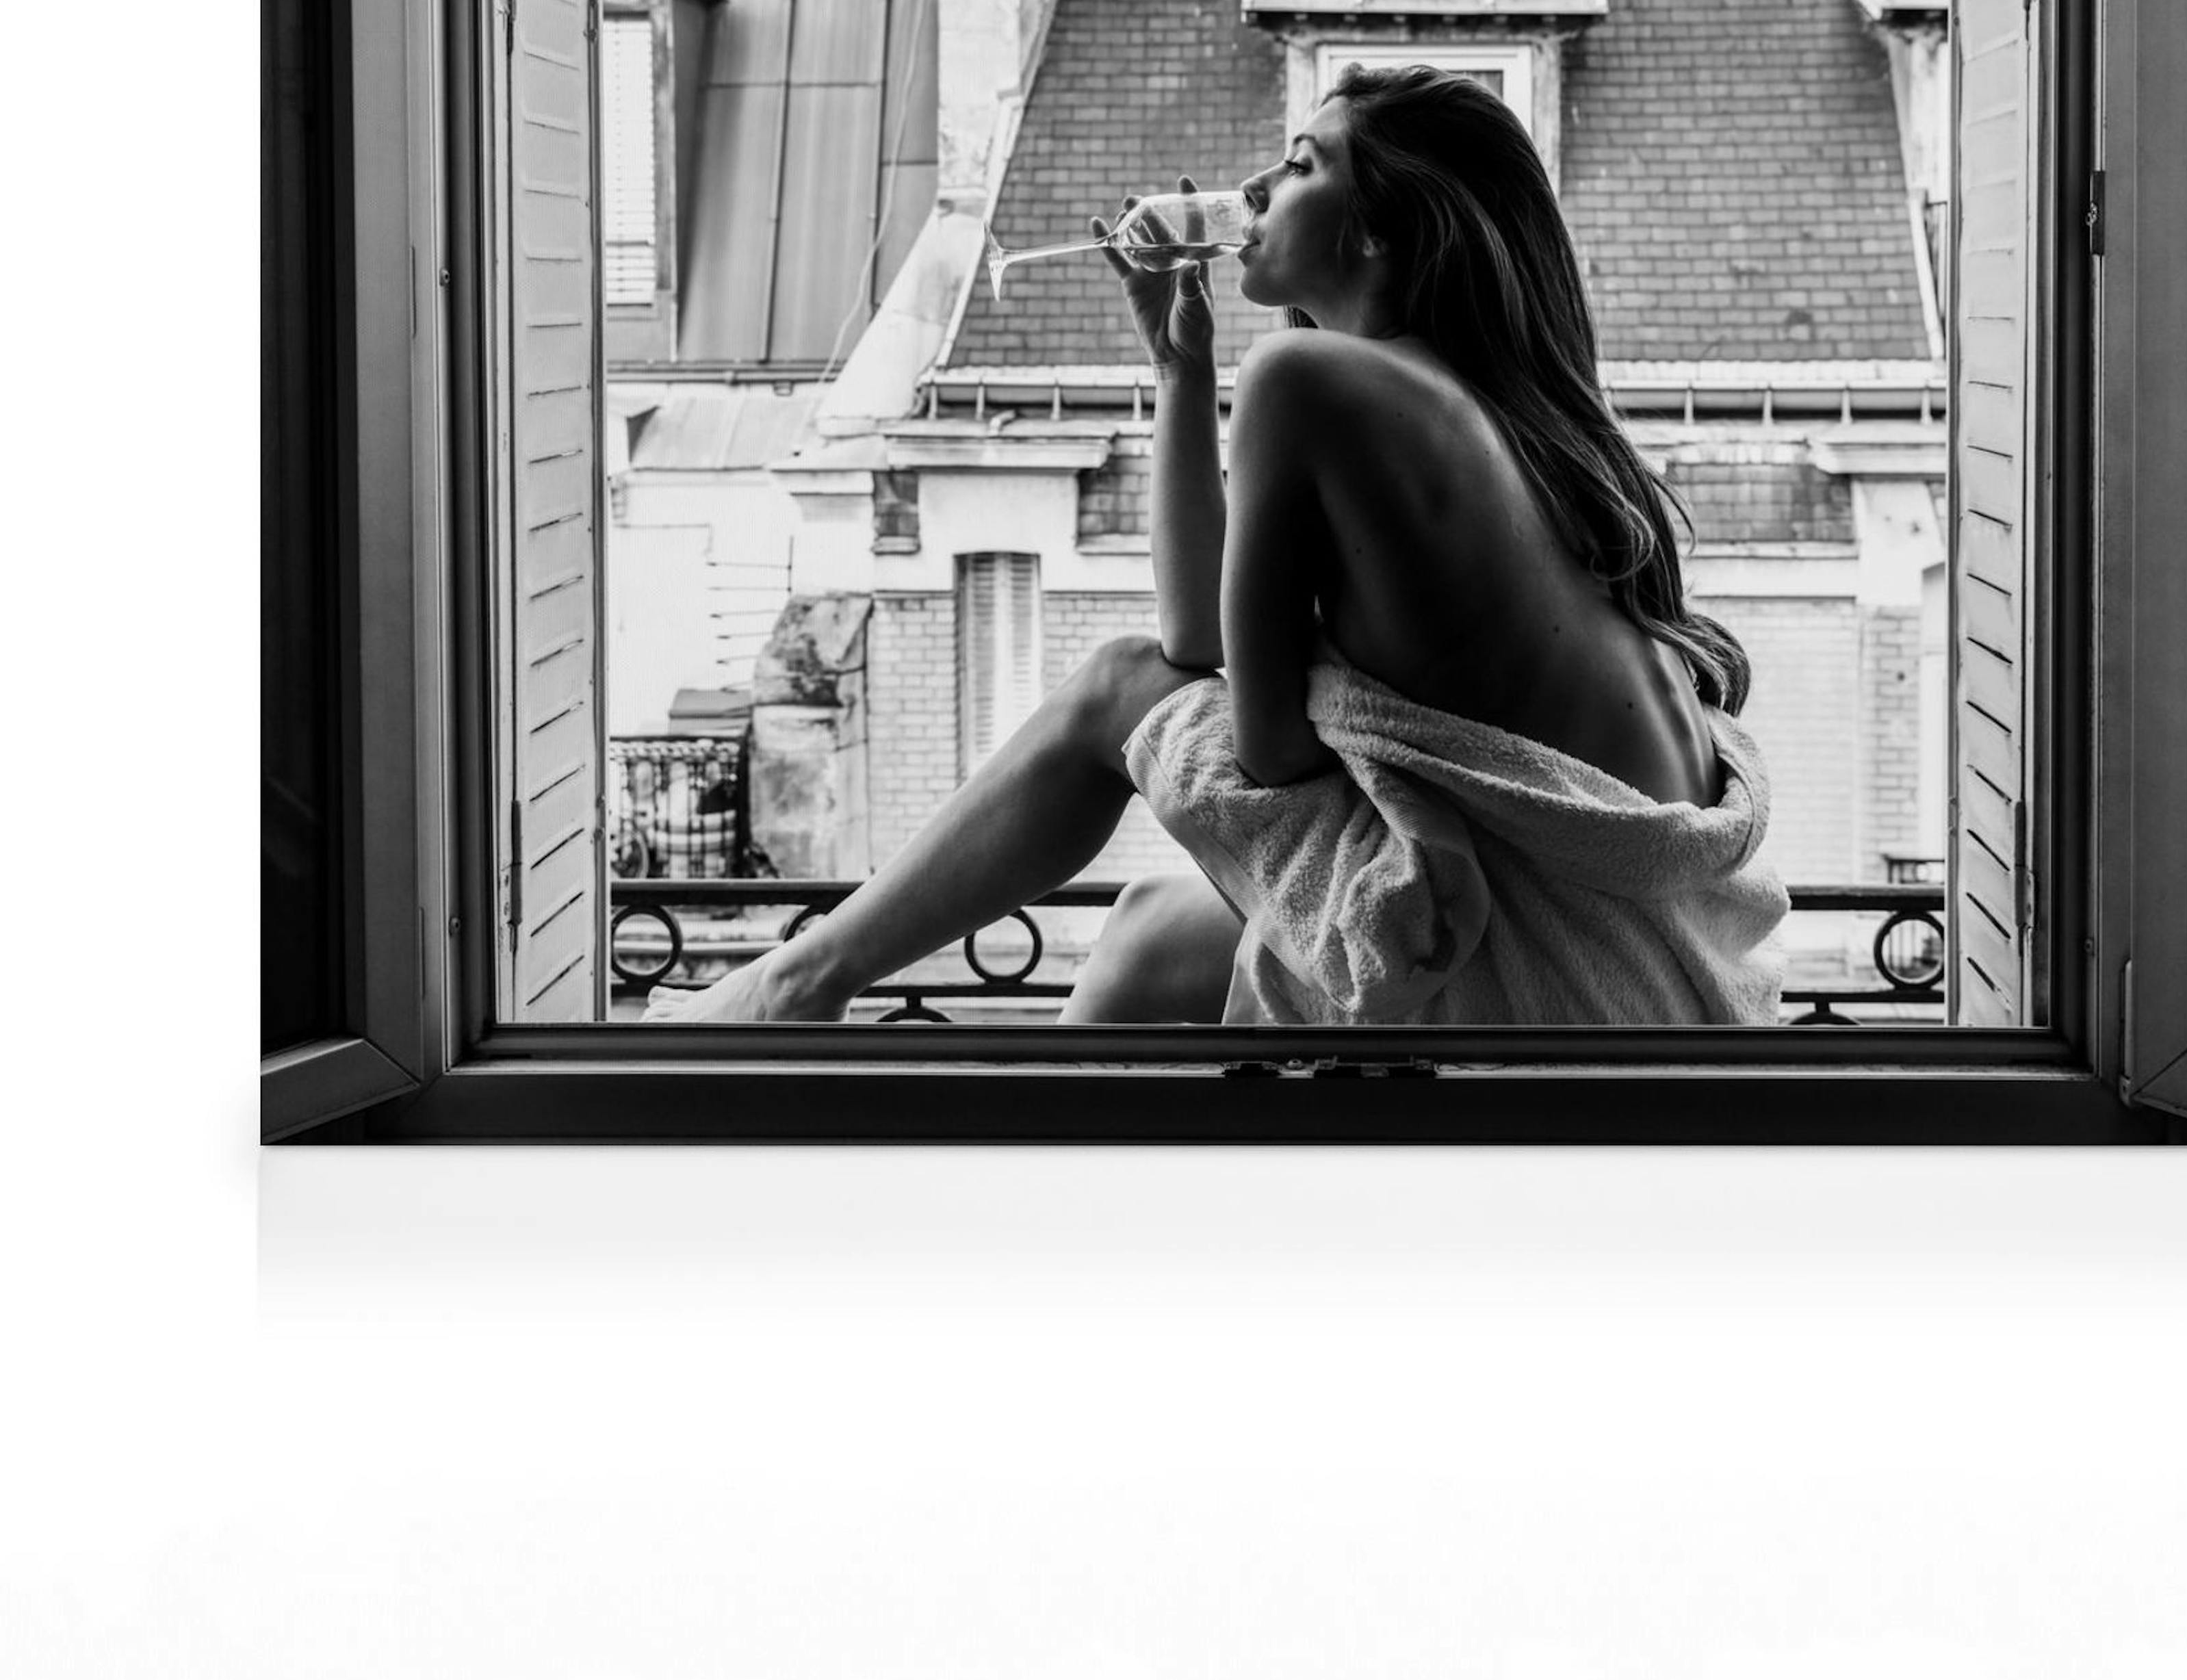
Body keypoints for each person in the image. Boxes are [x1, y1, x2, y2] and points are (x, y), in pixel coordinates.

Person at [659, 65, 1787, 1026]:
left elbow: (1266, 748)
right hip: (1650, 975)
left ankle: (798, 981)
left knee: (1116, 686)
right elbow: (1202, 634)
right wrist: (1180, 367)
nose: (1251, 190)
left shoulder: (1312, 375)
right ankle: (996, 1137)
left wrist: (1317, 758)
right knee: (1147, 931)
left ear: (1381, 227)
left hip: (1547, 972)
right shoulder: (1515, 423)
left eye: (1299, 165)